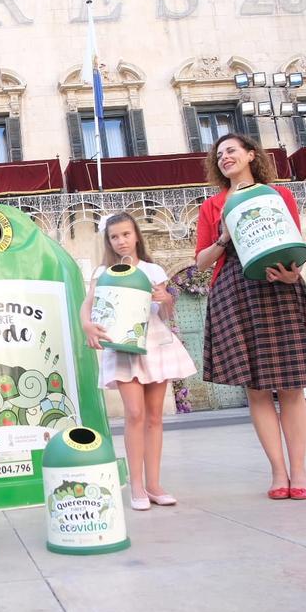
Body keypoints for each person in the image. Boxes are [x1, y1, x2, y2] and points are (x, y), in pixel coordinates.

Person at [195, 133, 306, 501]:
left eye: (232, 151)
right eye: (220, 154)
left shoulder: (280, 195)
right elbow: (201, 262)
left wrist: (295, 273)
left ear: (250, 155)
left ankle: (300, 471)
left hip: (279, 283)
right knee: (256, 388)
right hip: (235, 287)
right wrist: (224, 237)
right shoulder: (213, 205)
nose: (225, 157)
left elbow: (294, 242)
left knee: (291, 385)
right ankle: (278, 473)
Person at [81, 213, 197, 511]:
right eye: (114, 236)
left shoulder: (153, 269)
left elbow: (166, 311)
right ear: (108, 241)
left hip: (154, 343)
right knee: (134, 413)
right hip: (122, 348)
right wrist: (87, 326)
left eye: (126, 234)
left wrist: (167, 299)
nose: (121, 241)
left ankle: (154, 484)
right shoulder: (103, 272)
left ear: (136, 236)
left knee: (155, 416)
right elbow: (89, 305)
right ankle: (136, 485)